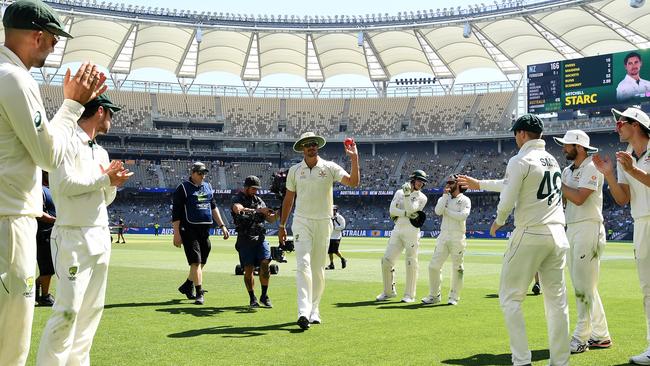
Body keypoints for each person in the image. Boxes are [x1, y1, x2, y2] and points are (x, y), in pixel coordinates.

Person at [0, 0, 107, 363]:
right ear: (37, 36)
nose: (55, 47)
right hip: (9, 219)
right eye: (54, 40)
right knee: (11, 341)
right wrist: (73, 105)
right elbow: (48, 156)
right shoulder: (14, 78)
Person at [459, 114, 570, 366]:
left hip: (531, 232)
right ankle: (560, 362)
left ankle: (521, 361)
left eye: (515, 134)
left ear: (521, 134)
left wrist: (499, 220)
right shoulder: (551, 160)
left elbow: (509, 196)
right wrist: (481, 184)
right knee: (557, 302)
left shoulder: (520, 159)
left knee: (510, 298)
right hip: (558, 234)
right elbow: (515, 184)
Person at [36, 95, 131, 365]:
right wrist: (105, 178)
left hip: (99, 235)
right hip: (72, 236)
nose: (112, 119)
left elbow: (104, 199)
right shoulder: (66, 141)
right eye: (110, 114)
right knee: (67, 312)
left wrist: (112, 184)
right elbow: (63, 185)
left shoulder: (101, 152)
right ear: (100, 112)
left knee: (91, 312)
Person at [278, 132, 359, 330]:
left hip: (324, 222)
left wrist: (354, 159)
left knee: (317, 269)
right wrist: (281, 226)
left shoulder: (330, 167)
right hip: (301, 221)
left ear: (317, 147)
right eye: (307, 145)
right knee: (302, 264)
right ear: (302, 149)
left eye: (313, 143)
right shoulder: (295, 170)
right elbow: (289, 199)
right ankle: (303, 312)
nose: (311, 147)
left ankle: (314, 310)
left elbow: (353, 182)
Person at [592, 107, 650, 365]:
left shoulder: (632, 159)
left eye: (621, 123)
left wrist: (633, 169)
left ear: (635, 125)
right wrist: (609, 175)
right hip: (641, 223)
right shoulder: (624, 157)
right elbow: (622, 199)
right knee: (648, 288)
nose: (617, 127)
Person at [553, 130, 611, 353]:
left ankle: (580, 338)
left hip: (589, 227)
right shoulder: (568, 170)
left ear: (578, 146)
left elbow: (578, 198)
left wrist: (557, 184)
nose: (563, 149)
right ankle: (601, 335)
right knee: (584, 286)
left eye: (567, 145)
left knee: (583, 288)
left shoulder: (592, 167)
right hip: (572, 228)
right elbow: (566, 202)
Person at [173, 162, 229, 305]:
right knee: (196, 262)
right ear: (192, 173)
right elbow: (176, 213)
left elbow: (213, 207)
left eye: (204, 173)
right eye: (200, 173)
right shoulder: (183, 188)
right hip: (188, 229)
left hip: (204, 230)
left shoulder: (208, 187)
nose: (203, 176)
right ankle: (199, 293)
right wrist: (176, 234)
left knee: (201, 262)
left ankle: (187, 285)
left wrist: (222, 226)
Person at [376, 170, 429, 303]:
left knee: (411, 262)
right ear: (413, 179)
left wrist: (406, 196)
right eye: (419, 180)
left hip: (412, 231)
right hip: (398, 229)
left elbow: (413, 210)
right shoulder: (399, 192)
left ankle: (409, 295)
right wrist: (405, 212)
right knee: (386, 260)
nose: (421, 184)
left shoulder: (422, 197)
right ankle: (388, 292)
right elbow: (392, 211)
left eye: (423, 182)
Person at [422, 174, 471, 306]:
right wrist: (444, 196)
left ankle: (454, 297)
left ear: (458, 184)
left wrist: (447, 211)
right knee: (433, 266)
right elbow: (438, 211)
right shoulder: (445, 198)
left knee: (458, 268)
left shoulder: (465, 200)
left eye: (451, 182)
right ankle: (434, 295)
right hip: (443, 236)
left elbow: (463, 216)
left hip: (458, 236)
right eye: (447, 182)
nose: (448, 184)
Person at [231, 175, 277, 307]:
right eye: (253, 188)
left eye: (257, 189)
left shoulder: (259, 200)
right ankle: (252, 297)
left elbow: (270, 219)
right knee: (249, 269)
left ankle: (264, 295)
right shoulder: (237, 198)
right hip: (245, 238)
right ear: (246, 187)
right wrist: (258, 210)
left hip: (260, 237)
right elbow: (238, 209)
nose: (255, 191)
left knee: (265, 263)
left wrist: (279, 213)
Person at [35, 172, 56, 307]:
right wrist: (57, 220)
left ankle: (36, 289)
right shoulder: (38, 190)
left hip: (52, 232)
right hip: (43, 232)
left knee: (51, 267)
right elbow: (37, 212)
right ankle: (45, 296)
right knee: (47, 268)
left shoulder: (51, 190)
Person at [326, 205, 347, 270]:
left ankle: (343, 259)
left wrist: (335, 227)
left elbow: (342, 226)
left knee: (335, 250)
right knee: (330, 252)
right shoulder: (328, 217)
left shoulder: (340, 217)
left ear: (335, 210)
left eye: (333, 210)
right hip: (329, 236)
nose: (332, 211)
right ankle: (331, 264)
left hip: (336, 236)